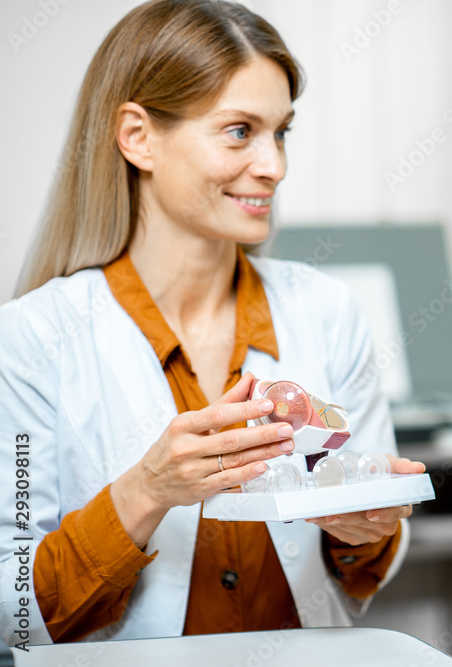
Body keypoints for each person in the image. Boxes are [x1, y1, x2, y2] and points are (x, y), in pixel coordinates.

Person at [0, 0, 422, 646]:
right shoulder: (30, 341)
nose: (273, 166)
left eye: (280, 132)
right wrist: (146, 491)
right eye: (238, 131)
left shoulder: (328, 312)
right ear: (137, 136)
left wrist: (366, 529)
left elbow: (372, 563)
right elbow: (11, 609)